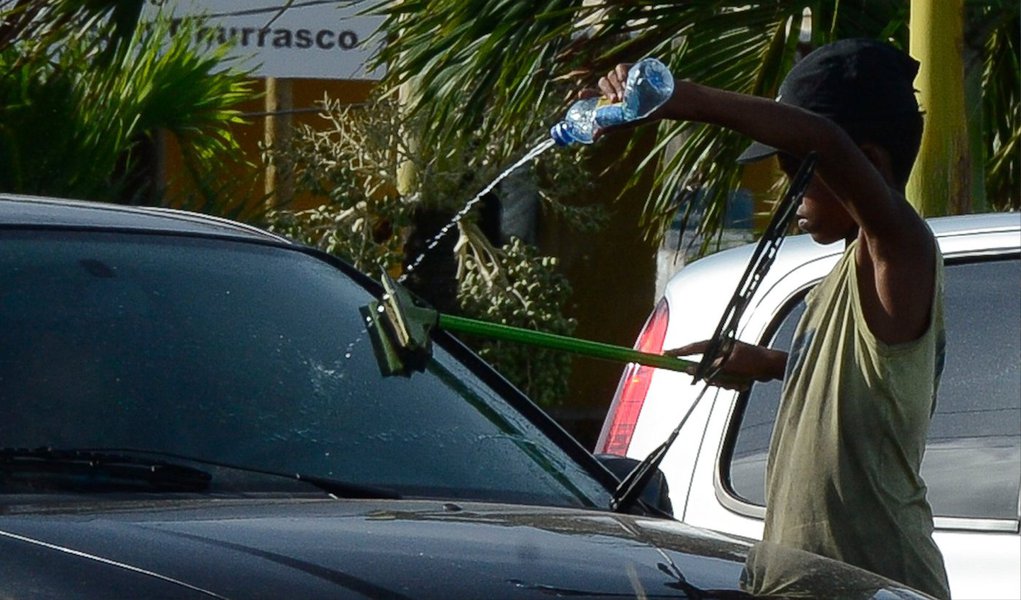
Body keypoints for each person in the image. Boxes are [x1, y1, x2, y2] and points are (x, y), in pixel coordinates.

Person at [590, 39, 950, 599]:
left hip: (877, 584)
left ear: (869, 165)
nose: (790, 192)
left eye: (797, 169)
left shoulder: (901, 251)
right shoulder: (843, 278)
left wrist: (680, 99)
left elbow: (825, 140)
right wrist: (770, 363)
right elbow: (867, 384)